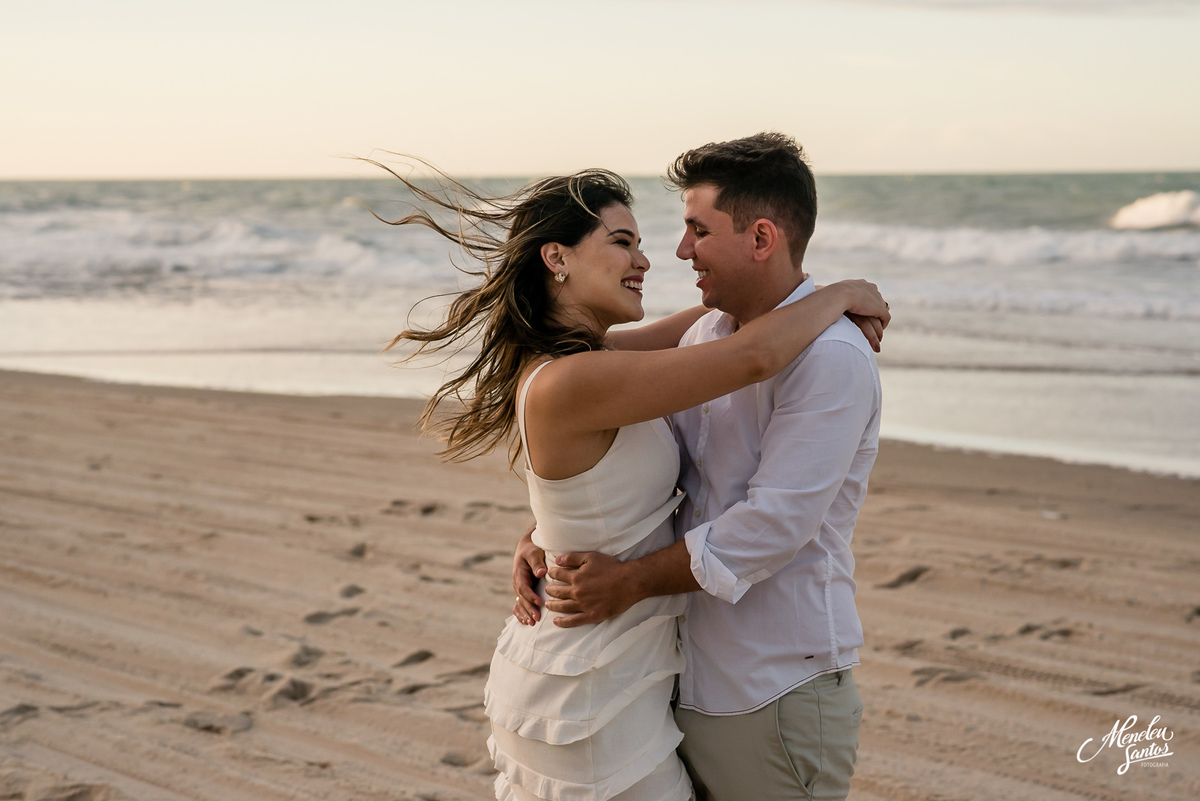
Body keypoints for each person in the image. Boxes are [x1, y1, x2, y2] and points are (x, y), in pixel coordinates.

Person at [374, 158, 888, 801]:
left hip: (625, 674)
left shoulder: (610, 359)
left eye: (669, 236)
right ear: (555, 258)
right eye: (623, 242)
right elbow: (753, 355)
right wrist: (838, 295)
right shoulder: (578, 378)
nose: (655, 258)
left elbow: (721, 340)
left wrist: (550, 523)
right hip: (593, 678)